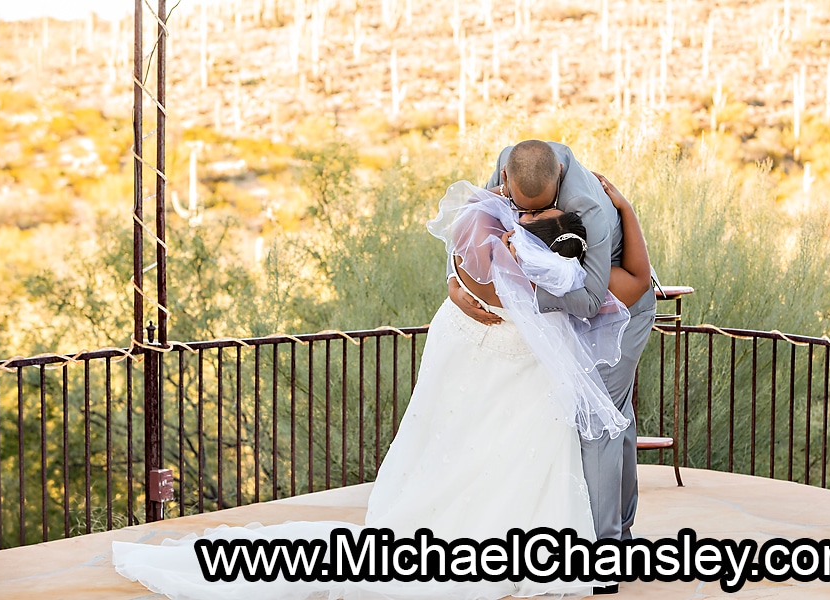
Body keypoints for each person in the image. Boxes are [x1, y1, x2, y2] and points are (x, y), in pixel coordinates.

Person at [112, 179, 644, 599]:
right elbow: (638, 283)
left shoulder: (480, 257)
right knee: (517, 458)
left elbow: (464, 253)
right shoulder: (565, 280)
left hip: (478, 369)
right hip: (527, 383)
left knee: (465, 450)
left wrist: (464, 270)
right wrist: (624, 209)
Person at [449, 142, 656, 580]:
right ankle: (621, 535)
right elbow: (473, 225)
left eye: (535, 211)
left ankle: (604, 557)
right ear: (505, 176)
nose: (522, 219)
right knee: (614, 417)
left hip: (618, 311)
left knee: (595, 423)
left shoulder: (592, 207)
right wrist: (455, 279)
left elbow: (589, 300)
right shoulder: (508, 167)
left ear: (559, 174)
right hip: (573, 309)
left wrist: (518, 287)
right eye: (518, 209)